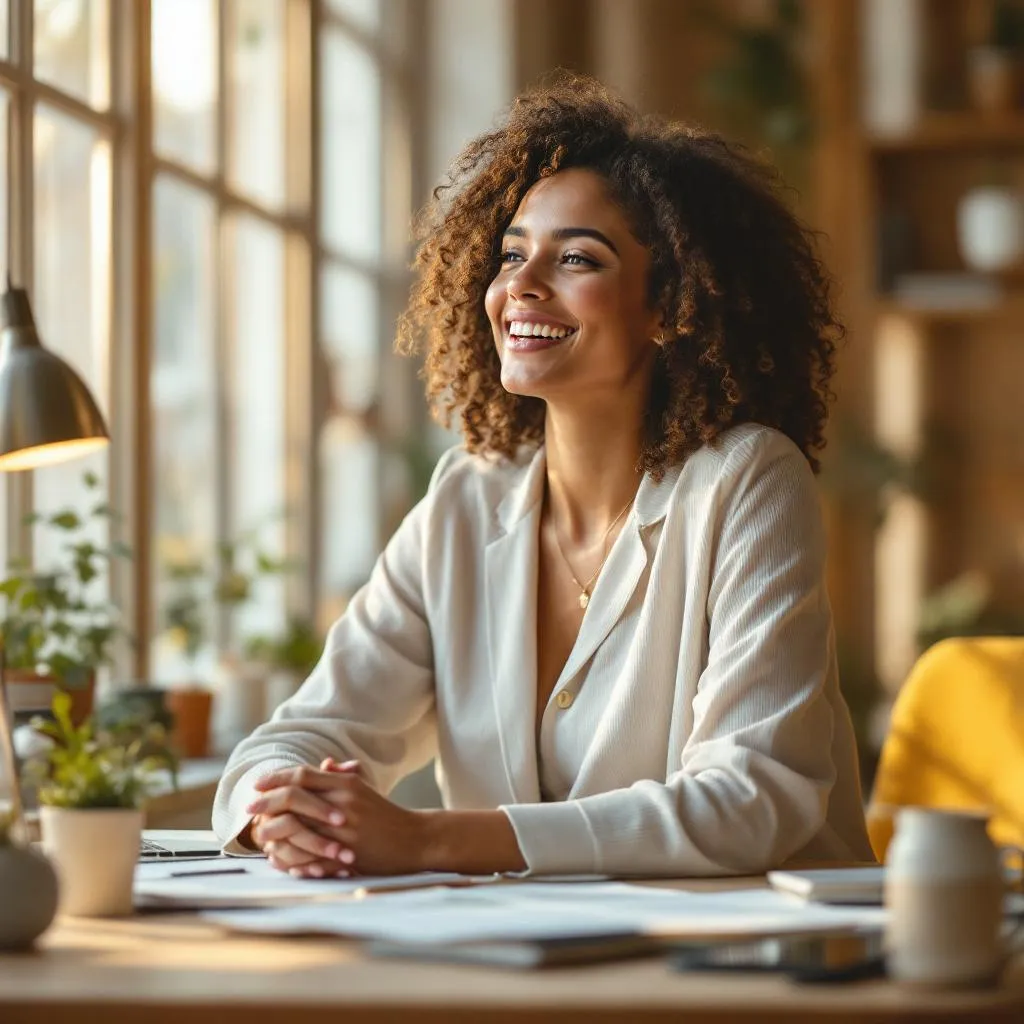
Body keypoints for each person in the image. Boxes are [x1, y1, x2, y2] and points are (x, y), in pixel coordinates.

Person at [212, 74, 874, 879]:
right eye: (513, 254)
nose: (520, 286)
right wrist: (283, 808)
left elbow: (752, 799)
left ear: (670, 306)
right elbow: (302, 733)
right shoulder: (465, 498)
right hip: (530, 963)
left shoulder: (746, 482)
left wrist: (429, 839)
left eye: (576, 259)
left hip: (758, 964)